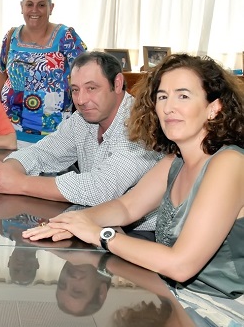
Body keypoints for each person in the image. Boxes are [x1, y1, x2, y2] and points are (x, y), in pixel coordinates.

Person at [24, 54, 244, 302]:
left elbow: (181, 265)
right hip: (173, 296)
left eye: (183, 95)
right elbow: (126, 207)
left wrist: (101, 235)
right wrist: (71, 222)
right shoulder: (175, 161)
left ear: (214, 107)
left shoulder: (229, 164)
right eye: (162, 96)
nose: (169, 107)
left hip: (220, 305)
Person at [0, 52, 162, 238]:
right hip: (91, 221)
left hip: (142, 234)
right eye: (75, 90)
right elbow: (43, 151)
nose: (81, 100)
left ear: (118, 83)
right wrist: (3, 171)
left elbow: (102, 188)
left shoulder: (141, 124)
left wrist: (20, 183)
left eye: (91, 88)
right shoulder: (83, 118)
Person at [0, 0, 87, 147]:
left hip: (55, 134)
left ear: (51, 7)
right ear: (22, 7)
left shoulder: (66, 37)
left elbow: (87, 73)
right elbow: (1, 72)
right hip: (10, 131)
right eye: (29, 4)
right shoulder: (11, 36)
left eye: (41, 5)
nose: (34, 10)